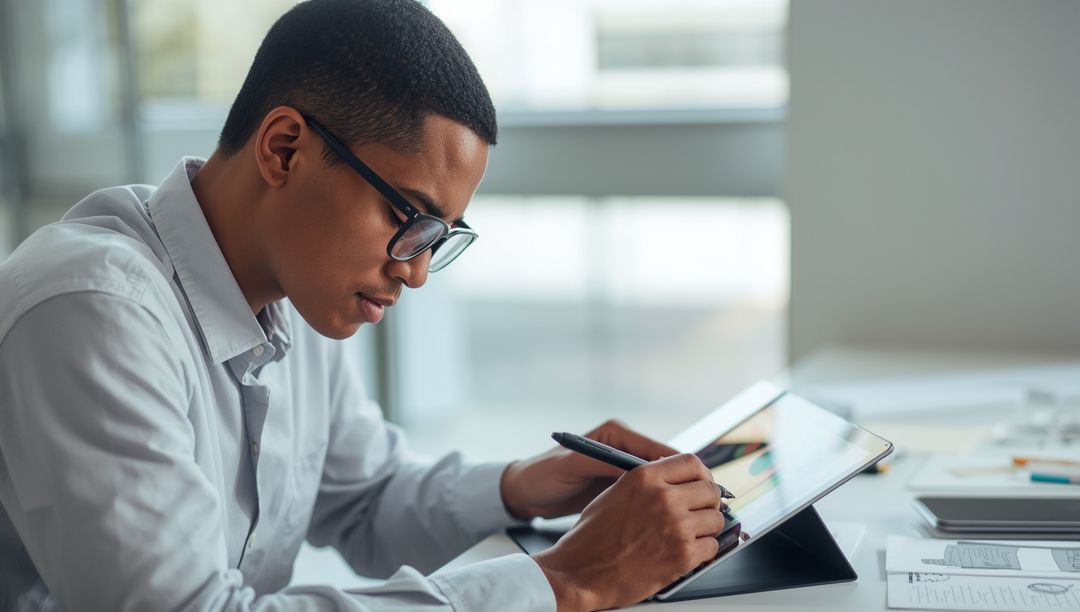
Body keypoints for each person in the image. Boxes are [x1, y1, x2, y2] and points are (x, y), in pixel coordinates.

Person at [0, 1, 727, 610]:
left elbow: (366, 498)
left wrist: (520, 488)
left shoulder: (292, 293)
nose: (415, 276)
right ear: (284, 149)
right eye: (407, 219)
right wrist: (568, 580)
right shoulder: (91, 311)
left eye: (439, 239)